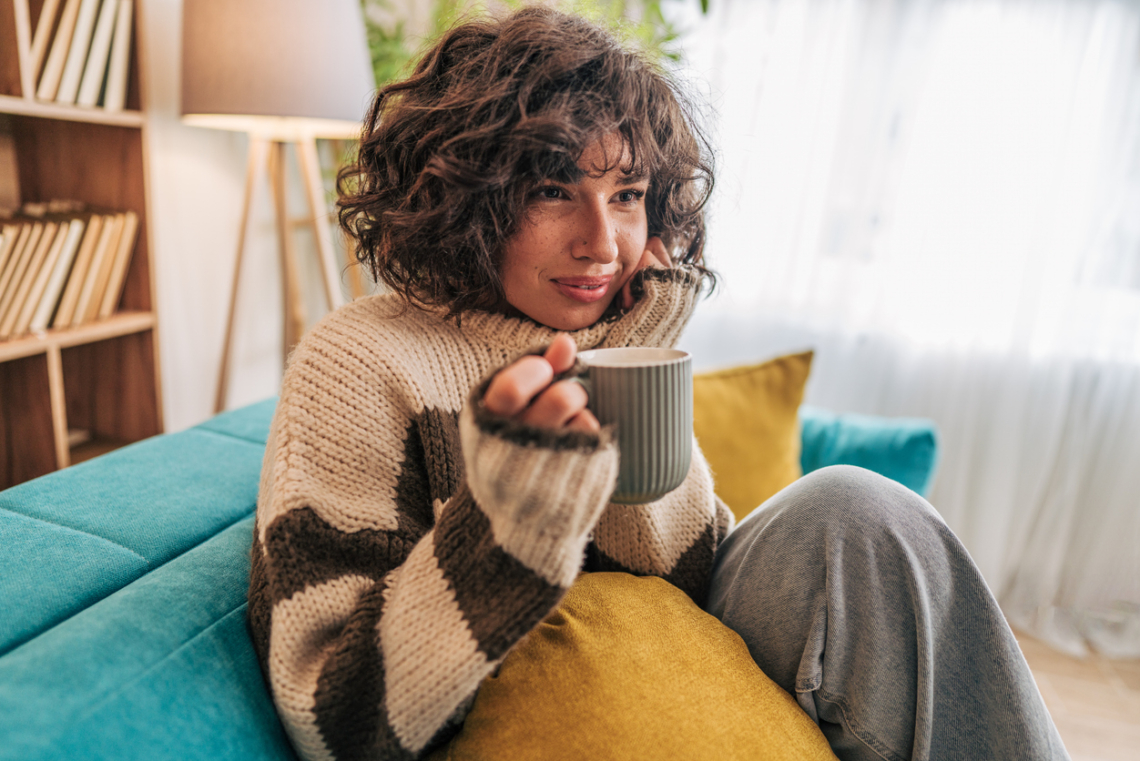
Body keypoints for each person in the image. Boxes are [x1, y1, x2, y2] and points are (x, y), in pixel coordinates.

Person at [246, 7, 1070, 761]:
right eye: (553, 191)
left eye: (628, 194)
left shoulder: (610, 331)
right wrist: (508, 519)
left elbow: (683, 581)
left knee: (862, 507)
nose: (602, 241)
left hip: (687, 645)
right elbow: (333, 714)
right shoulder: (362, 359)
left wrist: (636, 353)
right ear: (463, 196)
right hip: (536, 698)